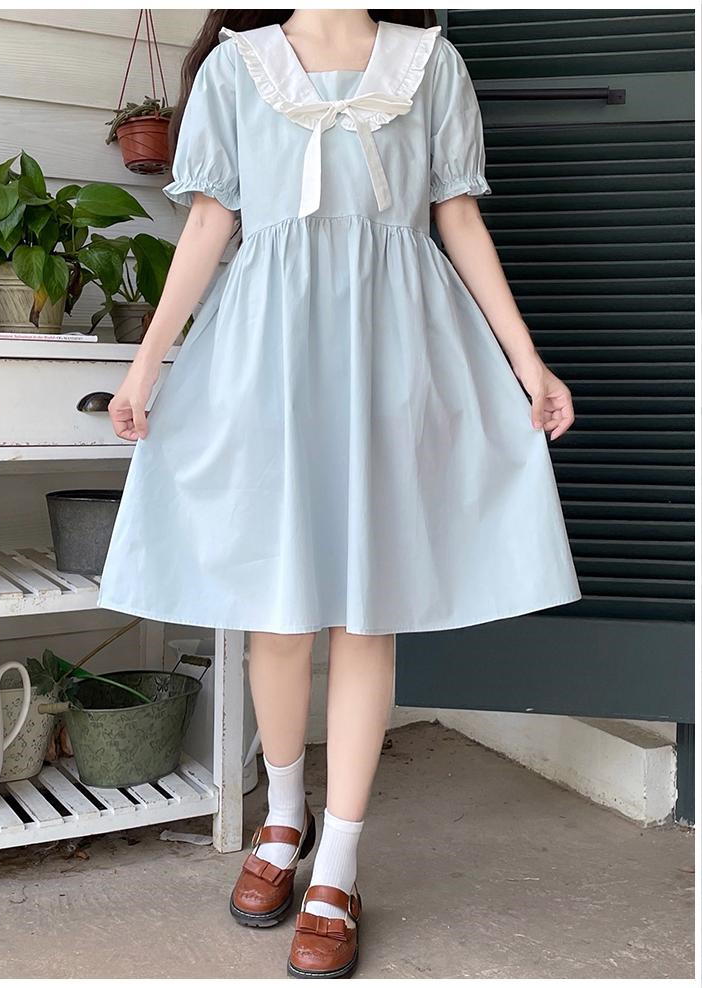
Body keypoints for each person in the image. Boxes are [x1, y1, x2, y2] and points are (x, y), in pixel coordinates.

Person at [96, 8, 581, 979]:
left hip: (395, 349)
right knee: (277, 612)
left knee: (367, 611)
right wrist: (147, 366)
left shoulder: (430, 62)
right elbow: (210, 221)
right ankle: (284, 820)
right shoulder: (237, 68)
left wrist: (526, 361)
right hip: (268, 352)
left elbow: (456, 216)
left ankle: (340, 869)